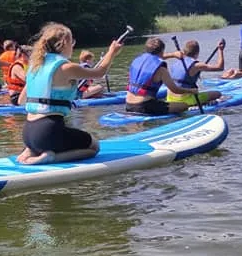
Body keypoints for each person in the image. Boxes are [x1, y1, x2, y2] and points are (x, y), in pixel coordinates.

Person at [16, 22, 123, 165]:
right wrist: (112, 52)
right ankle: (50, 157)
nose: (72, 45)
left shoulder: (35, 65)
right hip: (48, 131)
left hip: (28, 132)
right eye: (72, 42)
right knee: (94, 147)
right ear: (64, 43)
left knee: (54, 137)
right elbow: (100, 72)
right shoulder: (66, 67)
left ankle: (31, 150)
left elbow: (21, 101)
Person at [125, 37, 199, 115]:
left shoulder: (137, 60)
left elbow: (158, 57)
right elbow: (175, 90)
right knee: (183, 106)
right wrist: (191, 91)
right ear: (162, 50)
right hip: (144, 106)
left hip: (128, 105)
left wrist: (173, 54)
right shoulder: (161, 69)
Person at [164, 39, 225, 106]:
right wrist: (220, 50)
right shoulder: (196, 65)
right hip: (184, 100)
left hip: (170, 98)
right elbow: (220, 67)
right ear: (197, 53)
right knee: (217, 94)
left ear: (184, 51)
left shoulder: (176, 62)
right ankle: (199, 104)